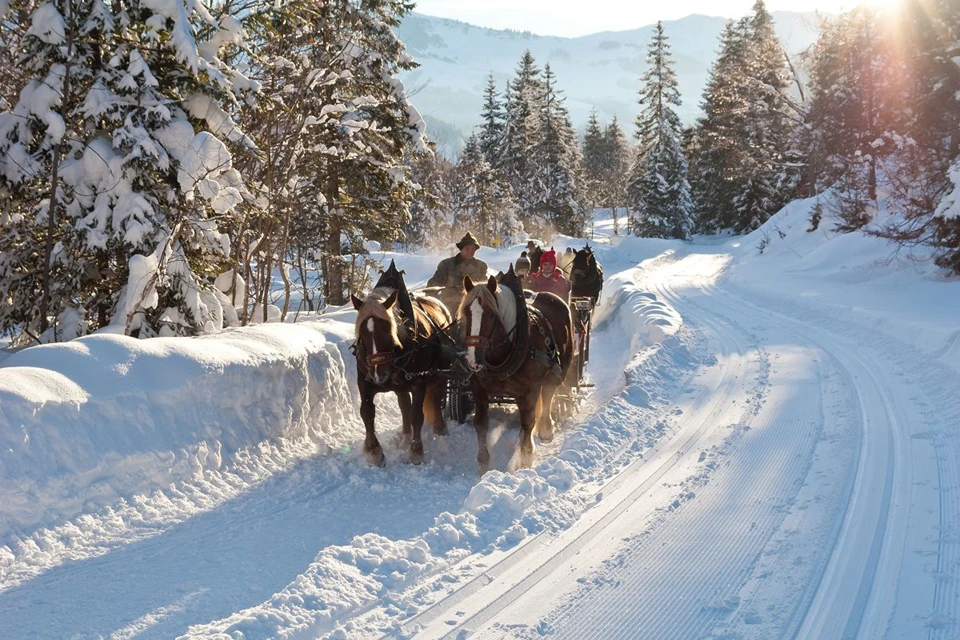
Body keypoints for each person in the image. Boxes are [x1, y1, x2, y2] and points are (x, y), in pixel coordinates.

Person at [427, 231, 489, 313]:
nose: (470, 251)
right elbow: (434, 285)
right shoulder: (446, 265)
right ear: (461, 249)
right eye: (467, 248)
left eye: (473, 249)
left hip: (472, 309)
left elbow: (485, 289)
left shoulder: (481, 267)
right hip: (449, 308)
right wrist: (431, 307)